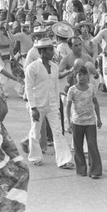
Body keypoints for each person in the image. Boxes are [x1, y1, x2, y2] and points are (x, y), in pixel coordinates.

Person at [25, 38, 74, 169]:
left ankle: (64, 160)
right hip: (37, 104)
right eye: (50, 50)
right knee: (35, 132)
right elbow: (28, 88)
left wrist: (57, 103)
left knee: (57, 131)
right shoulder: (32, 68)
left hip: (52, 104)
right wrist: (33, 107)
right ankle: (35, 156)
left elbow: (55, 85)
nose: (53, 52)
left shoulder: (55, 67)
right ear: (42, 52)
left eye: (52, 49)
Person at [66, 66, 103, 179]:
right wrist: (69, 122)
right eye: (79, 75)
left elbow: (95, 103)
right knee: (78, 146)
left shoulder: (91, 88)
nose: (81, 77)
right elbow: (68, 107)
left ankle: (95, 170)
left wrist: (99, 118)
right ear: (75, 76)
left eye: (83, 75)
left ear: (88, 76)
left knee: (92, 144)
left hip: (90, 121)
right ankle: (81, 168)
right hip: (77, 122)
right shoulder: (72, 90)